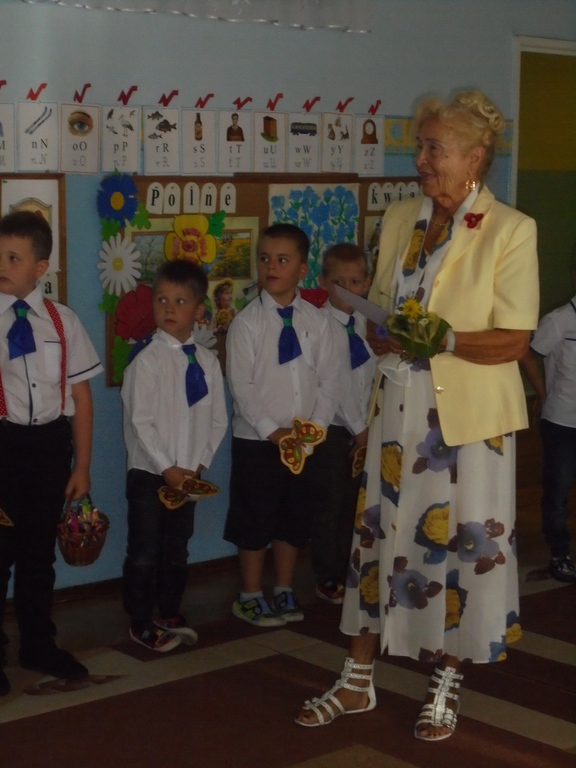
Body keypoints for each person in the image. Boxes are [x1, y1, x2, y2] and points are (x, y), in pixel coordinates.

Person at [295, 90, 539, 741]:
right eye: (421, 147)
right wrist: (381, 333)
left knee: (462, 548)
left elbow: (515, 339)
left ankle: (446, 682)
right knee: (378, 541)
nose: (421, 160)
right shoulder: (401, 216)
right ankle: (357, 679)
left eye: (435, 148)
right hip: (397, 409)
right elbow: (383, 308)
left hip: (468, 423)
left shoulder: (511, 229)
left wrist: (445, 339)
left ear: (475, 157)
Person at [0, 210, 102, 696]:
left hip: (48, 448)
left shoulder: (64, 322)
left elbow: (81, 396)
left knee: (38, 554)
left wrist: (82, 464)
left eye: (12, 258)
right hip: (2, 447)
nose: (2, 266)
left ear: (40, 267)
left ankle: (38, 644)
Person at [224, 222, 340, 627]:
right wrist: (273, 432)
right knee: (254, 519)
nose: (271, 267)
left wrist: (314, 429)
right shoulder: (247, 324)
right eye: (264, 259)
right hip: (258, 441)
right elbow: (242, 386)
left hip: (304, 444)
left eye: (282, 259)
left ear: (302, 269)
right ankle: (249, 594)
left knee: (293, 518)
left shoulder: (319, 323)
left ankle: (285, 589)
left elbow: (329, 381)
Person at [121, 259, 227, 651]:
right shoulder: (146, 360)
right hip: (150, 474)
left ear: (198, 310)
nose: (169, 308)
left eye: (180, 301)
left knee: (176, 548)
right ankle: (139, 619)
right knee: (144, 551)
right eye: (162, 299)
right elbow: (140, 422)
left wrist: (197, 465)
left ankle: (169, 609)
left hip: (188, 476)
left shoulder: (209, 363)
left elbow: (217, 420)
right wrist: (167, 468)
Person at [311, 244, 377, 604]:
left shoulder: (367, 322)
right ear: (324, 282)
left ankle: (354, 569)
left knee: (356, 502)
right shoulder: (320, 325)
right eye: (340, 282)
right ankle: (328, 575)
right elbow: (332, 385)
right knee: (330, 504)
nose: (348, 290)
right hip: (334, 429)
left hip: (365, 426)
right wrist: (358, 428)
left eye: (355, 282)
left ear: (366, 284)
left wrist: (369, 424)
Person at [520, 262, 576, 583]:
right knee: (557, 492)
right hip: (563, 422)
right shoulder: (559, 320)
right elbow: (526, 353)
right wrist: (542, 393)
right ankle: (559, 555)